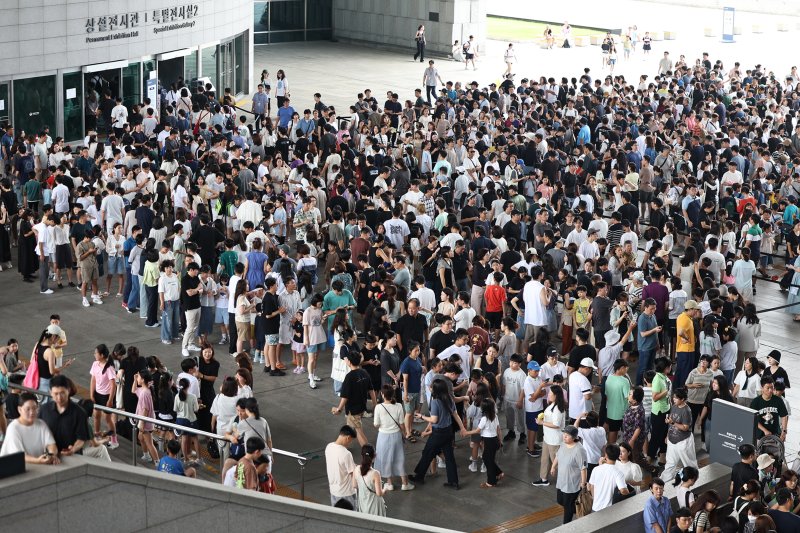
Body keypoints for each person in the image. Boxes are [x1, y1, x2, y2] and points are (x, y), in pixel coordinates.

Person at [40, 375, 111, 462]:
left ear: (68, 391)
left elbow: (81, 439)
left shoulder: (79, 413)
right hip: (50, 457)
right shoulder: (44, 410)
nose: (59, 398)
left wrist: (73, 449)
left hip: (74, 458)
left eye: (62, 393)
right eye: (56, 394)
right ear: (50, 392)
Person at [409, 378, 462, 490]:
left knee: (427, 453)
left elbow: (434, 420)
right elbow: (456, 415)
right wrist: (462, 428)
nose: (430, 387)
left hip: (438, 433)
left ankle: (419, 477)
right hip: (448, 431)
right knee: (449, 457)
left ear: (435, 390)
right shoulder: (449, 399)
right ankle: (453, 482)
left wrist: (421, 416)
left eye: (431, 386)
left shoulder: (435, 402)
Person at [373, 384, 413, 491]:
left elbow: (376, 424)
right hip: (396, 436)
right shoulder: (399, 406)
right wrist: (404, 433)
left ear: (382, 394)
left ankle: (389, 483)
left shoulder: (378, 407)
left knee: (385, 459)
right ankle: (405, 483)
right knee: (399, 458)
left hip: (383, 436)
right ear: (392, 394)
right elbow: (401, 423)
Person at [0, 392, 59, 464]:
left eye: (34, 408)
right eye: (27, 409)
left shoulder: (41, 424)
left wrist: (52, 455)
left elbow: (51, 444)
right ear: (19, 409)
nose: (32, 412)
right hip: (12, 467)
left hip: (35, 466)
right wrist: (38, 460)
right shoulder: (13, 428)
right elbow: (19, 456)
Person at [332, 353, 377, 446]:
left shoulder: (349, 377)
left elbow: (345, 396)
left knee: (358, 431)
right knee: (349, 427)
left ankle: (368, 453)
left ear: (349, 362)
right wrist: (375, 404)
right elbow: (371, 390)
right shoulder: (364, 372)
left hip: (353, 410)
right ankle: (342, 445)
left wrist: (339, 409)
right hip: (362, 407)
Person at [661, 388, 698, 486]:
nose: (674, 399)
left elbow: (685, 428)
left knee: (689, 463)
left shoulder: (686, 411)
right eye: (673, 397)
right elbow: (671, 422)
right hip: (672, 440)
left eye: (676, 398)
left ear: (683, 399)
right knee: (670, 463)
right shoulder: (674, 407)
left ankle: (694, 480)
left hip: (683, 441)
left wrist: (673, 422)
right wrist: (667, 435)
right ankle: (663, 482)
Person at [551, 425, 588, 524]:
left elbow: (583, 468)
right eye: (564, 434)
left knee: (567, 506)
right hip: (562, 480)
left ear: (574, 437)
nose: (564, 437)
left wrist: (583, 483)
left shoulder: (579, 450)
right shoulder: (563, 444)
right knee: (560, 501)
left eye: (567, 435)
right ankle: (579, 509)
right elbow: (558, 456)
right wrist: (553, 467)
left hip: (572, 483)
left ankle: (566, 525)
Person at [464, 398, 503, 488]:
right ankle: (499, 473)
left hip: (489, 442)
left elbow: (477, 431)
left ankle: (491, 482)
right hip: (495, 440)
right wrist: (500, 441)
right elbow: (498, 429)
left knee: (488, 462)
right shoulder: (495, 416)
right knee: (487, 458)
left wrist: (466, 432)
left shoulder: (484, 419)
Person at [588, 443, 630, 512]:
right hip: (610, 509)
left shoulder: (596, 469)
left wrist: (594, 498)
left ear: (606, 455)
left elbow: (591, 486)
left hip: (595, 507)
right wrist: (626, 492)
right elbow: (623, 490)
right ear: (617, 456)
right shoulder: (618, 473)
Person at [325, 425, 358, 508]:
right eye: (350, 440)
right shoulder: (346, 453)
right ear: (348, 438)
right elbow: (353, 474)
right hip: (347, 493)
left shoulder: (329, 447)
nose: (349, 443)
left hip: (334, 491)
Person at [355, 443, 387, 516]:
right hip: (374, 504)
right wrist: (385, 488)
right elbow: (379, 493)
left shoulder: (356, 469)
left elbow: (354, 485)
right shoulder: (375, 473)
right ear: (375, 455)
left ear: (361, 455)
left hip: (362, 502)